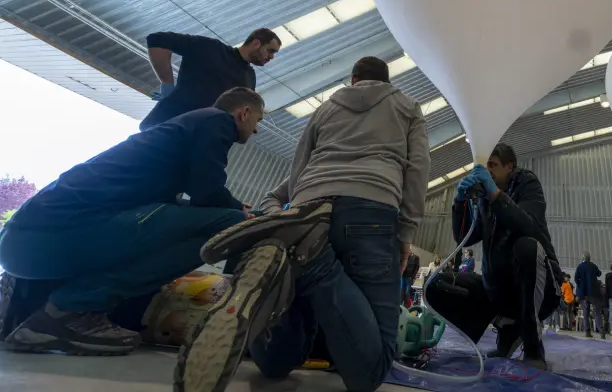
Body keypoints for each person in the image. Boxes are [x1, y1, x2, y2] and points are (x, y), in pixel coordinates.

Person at [174, 56, 430, 392]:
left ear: (353, 80)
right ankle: (317, 265)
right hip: (370, 213)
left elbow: (300, 161)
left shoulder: (326, 108)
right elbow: (418, 169)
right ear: (388, 82)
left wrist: (293, 211)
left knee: (275, 365)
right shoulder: (407, 106)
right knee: (370, 373)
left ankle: (297, 262)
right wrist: (406, 232)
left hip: (311, 208)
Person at [0, 87, 263, 355]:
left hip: (25, 240)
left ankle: (29, 304)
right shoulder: (217, 121)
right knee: (228, 223)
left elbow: (189, 201)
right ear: (244, 113)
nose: (255, 130)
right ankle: (71, 310)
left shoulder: (176, 134)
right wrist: (240, 213)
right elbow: (207, 189)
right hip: (52, 236)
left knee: (177, 218)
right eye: (258, 121)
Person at [425, 143, 562, 369]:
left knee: (526, 247)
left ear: (510, 167)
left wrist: (494, 193)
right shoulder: (484, 199)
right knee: (436, 285)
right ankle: (508, 326)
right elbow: (465, 238)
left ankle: (532, 344)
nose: (487, 170)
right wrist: (460, 201)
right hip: (500, 290)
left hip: (540, 288)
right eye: (483, 165)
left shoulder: (527, 184)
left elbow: (528, 226)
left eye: (493, 165)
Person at [140, 28, 281, 131]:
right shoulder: (211, 48)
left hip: (194, 140)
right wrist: (167, 84)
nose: (272, 57)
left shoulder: (250, 78)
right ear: (256, 43)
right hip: (165, 124)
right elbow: (157, 40)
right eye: (271, 51)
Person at [574, 252, 602, 337]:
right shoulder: (593, 266)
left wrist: (580, 286)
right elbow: (599, 274)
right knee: (597, 313)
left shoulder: (579, 266)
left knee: (586, 313)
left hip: (584, 294)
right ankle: (601, 332)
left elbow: (575, 278)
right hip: (593, 293)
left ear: (583, 258)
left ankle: (587, 332)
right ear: (589, 258)